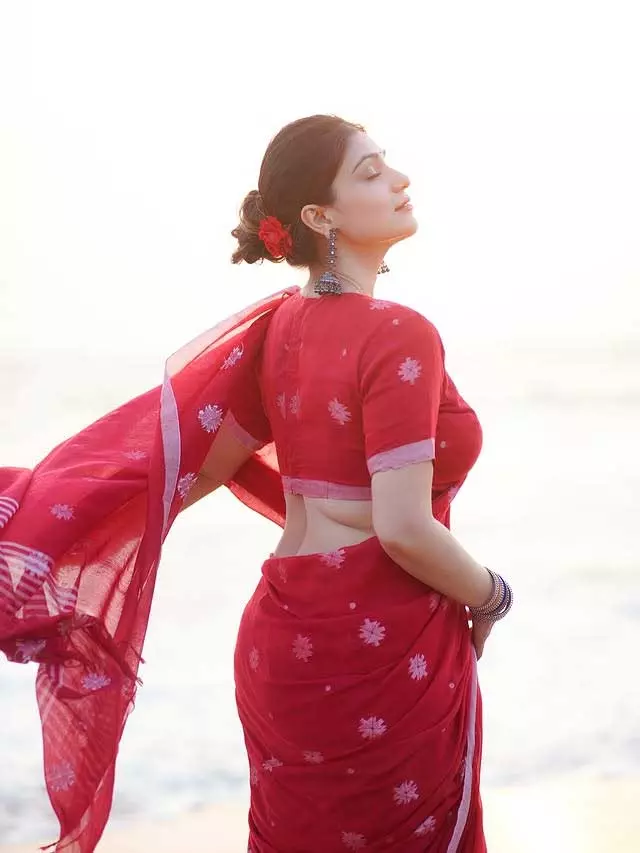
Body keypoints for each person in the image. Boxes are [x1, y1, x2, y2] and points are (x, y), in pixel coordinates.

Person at [0, 114, 512, 853]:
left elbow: (180, 480)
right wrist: (492, 592)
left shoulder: (278, 331)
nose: (399, 180)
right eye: (369, 173)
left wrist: (43, 525)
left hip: (282, 641)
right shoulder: (400, 331)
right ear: (318, 215)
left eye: (388, 164)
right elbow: (402, 528)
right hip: (375, 650)